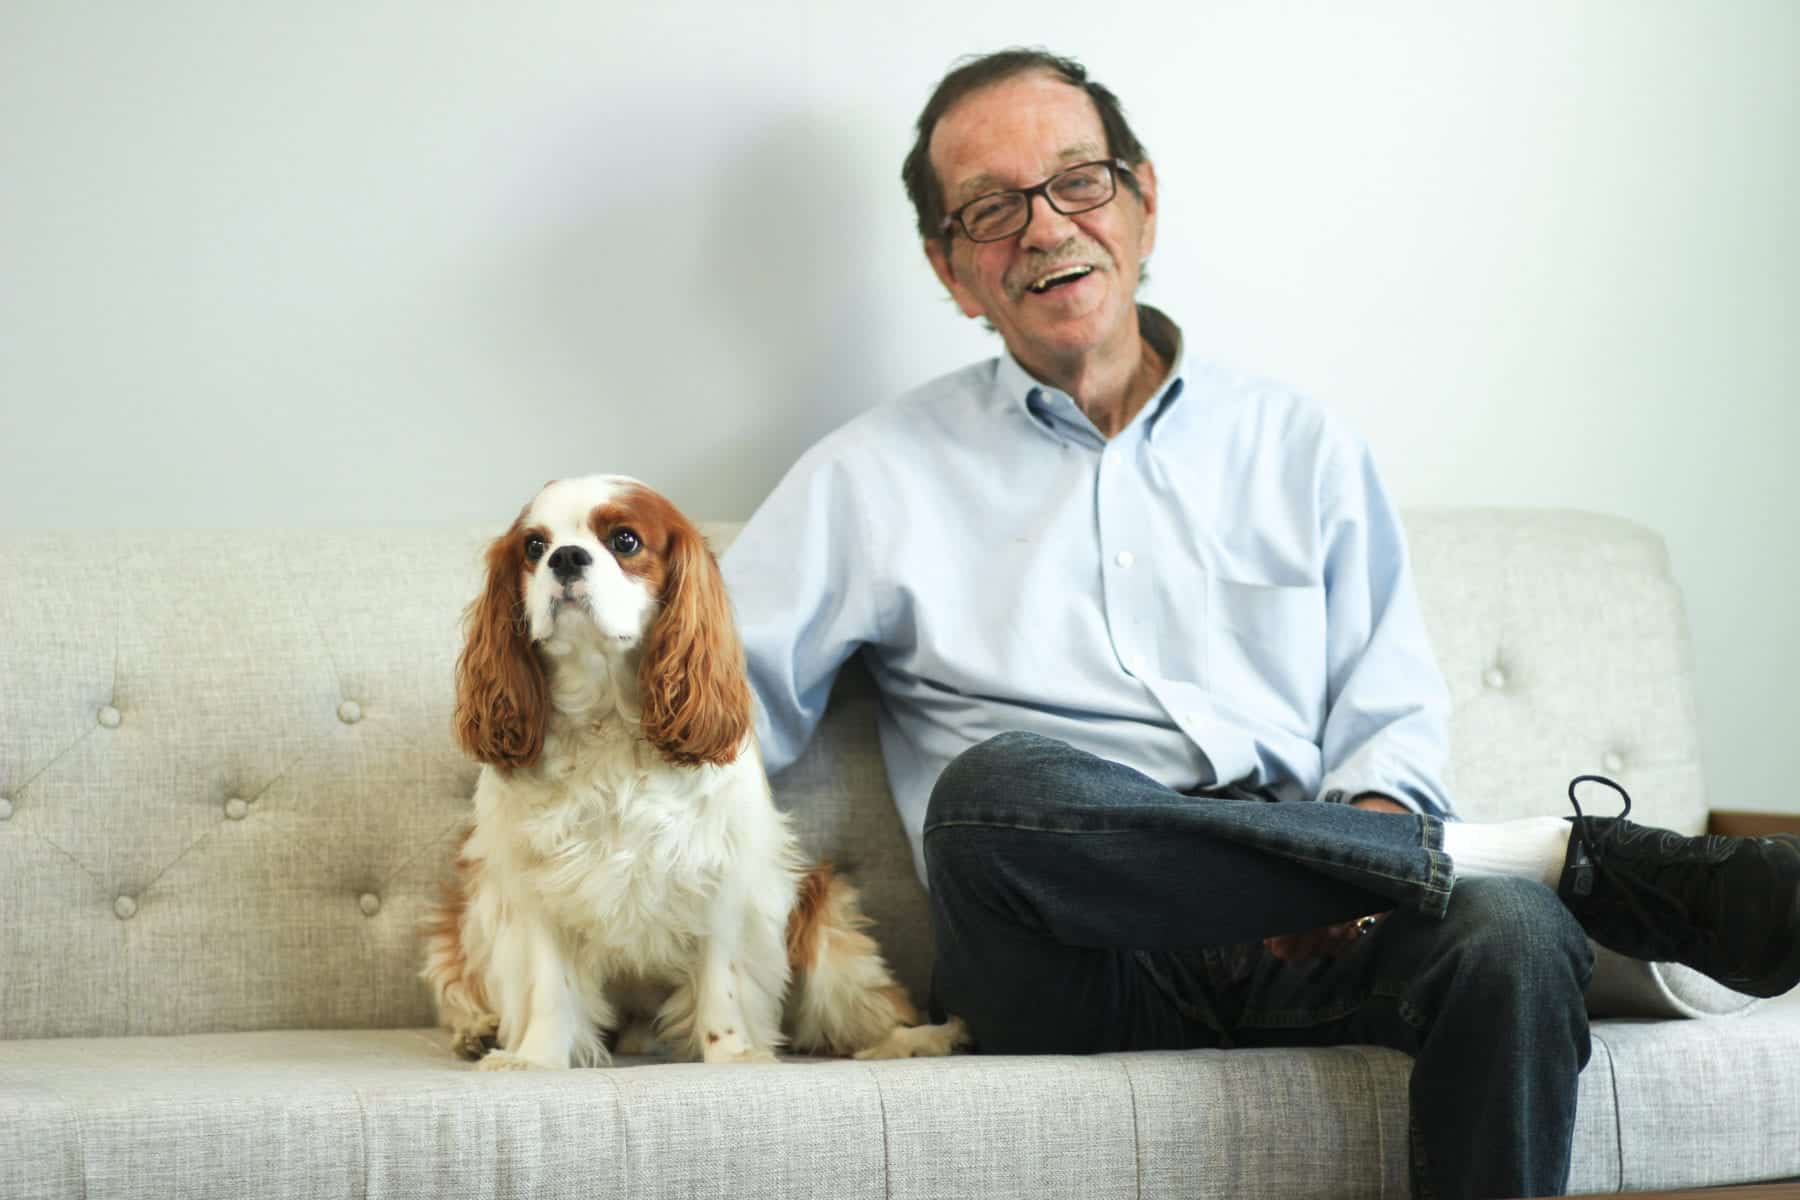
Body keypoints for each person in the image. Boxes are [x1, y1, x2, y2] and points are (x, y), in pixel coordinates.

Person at [719, 48, 1800, 1199]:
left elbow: (1387, 713)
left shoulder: (1301, 449)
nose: (1043, 228)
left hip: (1320, 930)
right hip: (1070, 951)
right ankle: (1545, 852)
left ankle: (1439, 873)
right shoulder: (866, 479)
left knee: (1517, 938)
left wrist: (1368, 825)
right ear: (951, 268)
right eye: (991, 209)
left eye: (1078, 181)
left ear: (1142, 199)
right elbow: (708, 713)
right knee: (990, 797)